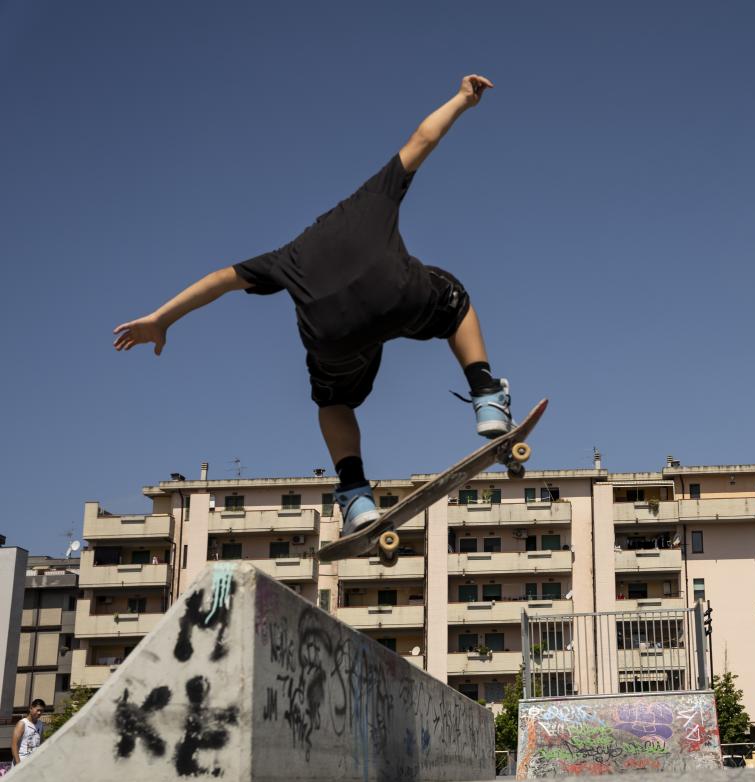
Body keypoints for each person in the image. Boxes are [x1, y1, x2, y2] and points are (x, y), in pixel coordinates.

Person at [113, 75, 512, 537]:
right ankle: (485, 397)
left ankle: (355, 495)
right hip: (397, 293)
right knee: (455, 301)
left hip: (332, 333)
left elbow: (220, 280)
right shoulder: (371, 196)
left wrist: (162, 319)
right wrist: (463, 99)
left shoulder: (288, 255)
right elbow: (423, 138)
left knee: (334, 399)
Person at [11, 699, 45, 766]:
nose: (39, 713)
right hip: (22, 761)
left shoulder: (40, 724)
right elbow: (14, 745)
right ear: (31, 708)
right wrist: (18, 765)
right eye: (38, 710)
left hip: (34, 762)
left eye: (41, 711)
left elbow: (42, 743)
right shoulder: (22, 724)